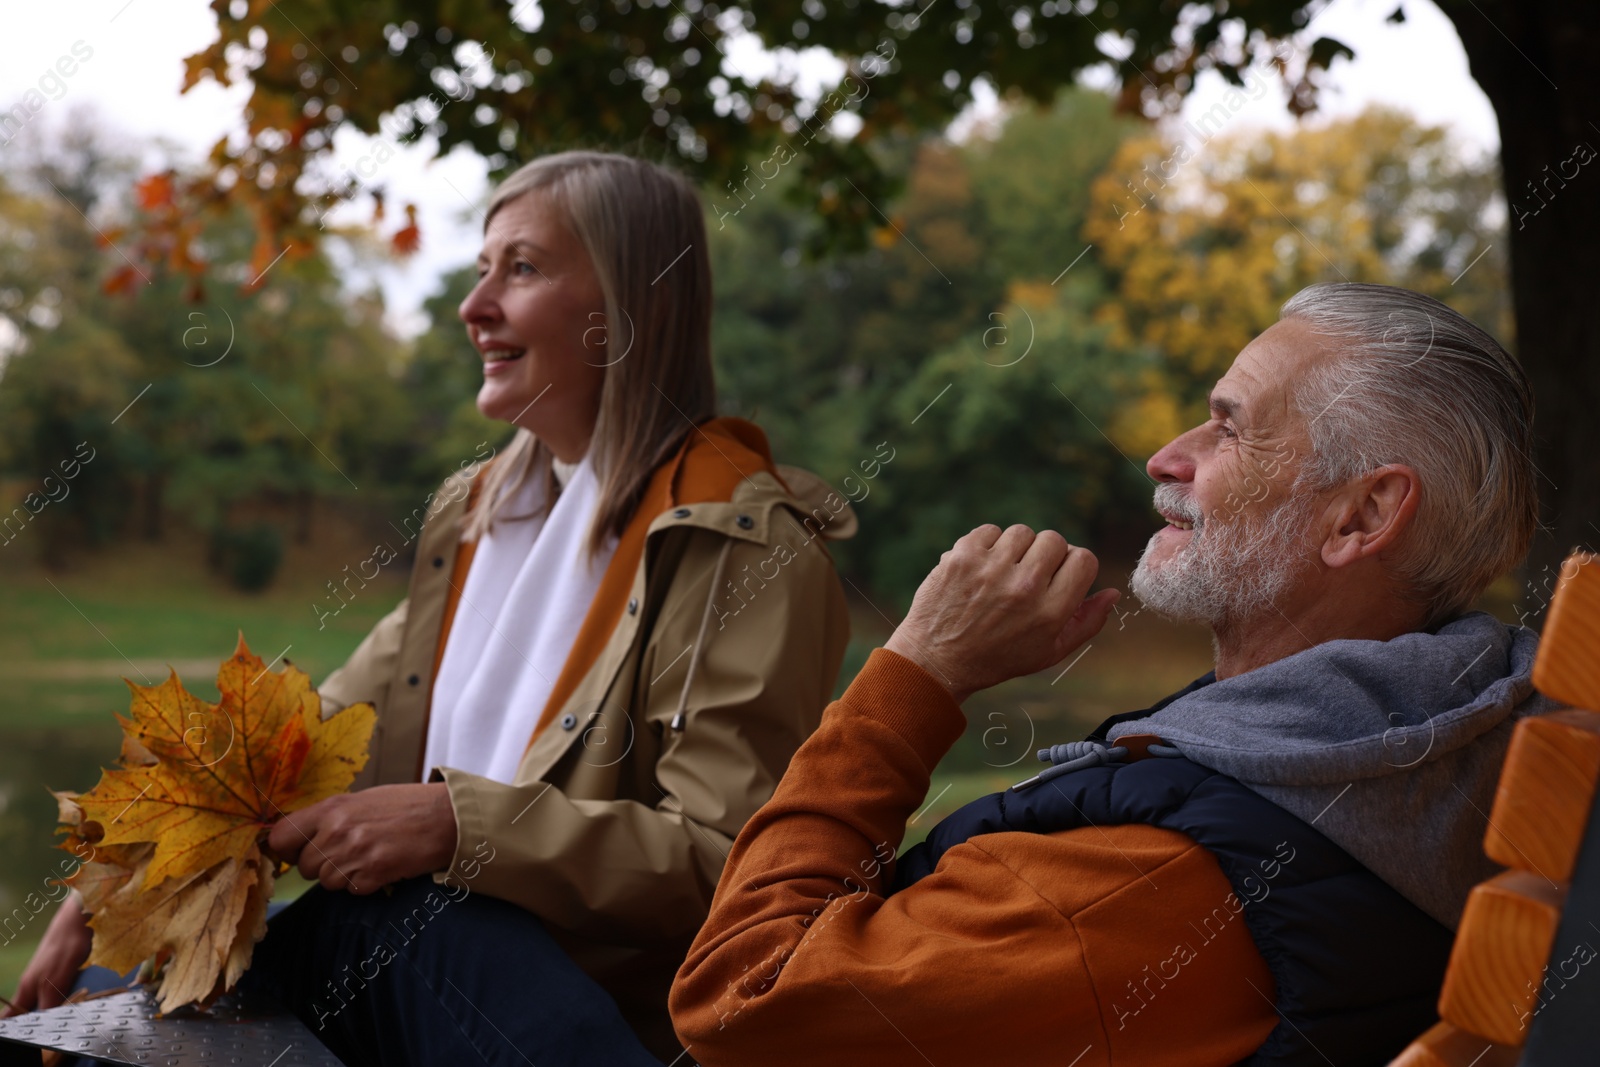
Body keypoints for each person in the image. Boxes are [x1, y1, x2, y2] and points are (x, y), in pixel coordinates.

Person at [11, 151, 855, 1066]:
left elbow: (737, 863)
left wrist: (457, 826)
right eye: (481, 266)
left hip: (607, 1026)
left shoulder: (744, 539)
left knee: (390, 920)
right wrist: (118, 884)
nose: (474, 304)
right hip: (420, 988)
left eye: (522, 268)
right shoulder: (479, 512)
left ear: (627, 307)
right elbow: (304, 739)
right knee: (87, 1016)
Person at [670, 282, 1552, 1066]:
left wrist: (916, 672)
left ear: (1363, 514)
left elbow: (740, 1001)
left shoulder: (1145, 884)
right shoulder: (1458, 734)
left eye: (1230, 426)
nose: (1167, 456)